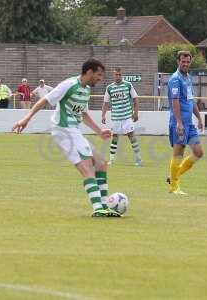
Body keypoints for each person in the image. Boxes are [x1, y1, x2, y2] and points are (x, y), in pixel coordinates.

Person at [12, 59, 120, 218]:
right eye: (98, 75)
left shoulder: (86, 90)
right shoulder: (69, 84)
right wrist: (26, 118)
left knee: (101, 163)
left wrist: (99, 131)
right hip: (63, 130)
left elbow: (82, 113)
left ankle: (104, 206)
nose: (100, 78)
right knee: (87, 166)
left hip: (73, 130)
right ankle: (98, 208)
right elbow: (44, 100)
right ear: (89, 72)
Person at [166, 51, 204, 195]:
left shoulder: (187, 78)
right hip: (179, 123)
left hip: (189, 124)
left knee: (199, 152)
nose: (186, 64)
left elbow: (191, 100)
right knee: (178, 154)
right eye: (183, 61)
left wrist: (199, 118)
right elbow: (175, 102)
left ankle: (173, 177)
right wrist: (179, 123)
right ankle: (174, 187)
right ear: (178, 61)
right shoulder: (175, 79)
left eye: (188, 62)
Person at [101, 67, 142, 166]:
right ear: (113, 75)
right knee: (114, 137)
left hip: (127, 116)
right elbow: (105, 103)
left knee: (131, 136)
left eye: (119, 74)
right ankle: (111, 160)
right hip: (116, 117)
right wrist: (103, 115)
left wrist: (136, 113)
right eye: (116, 74)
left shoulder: (128, 85)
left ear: (121, 75)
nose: (118, 76)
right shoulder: (109, 88)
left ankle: (138, 159)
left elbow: (135, 99)